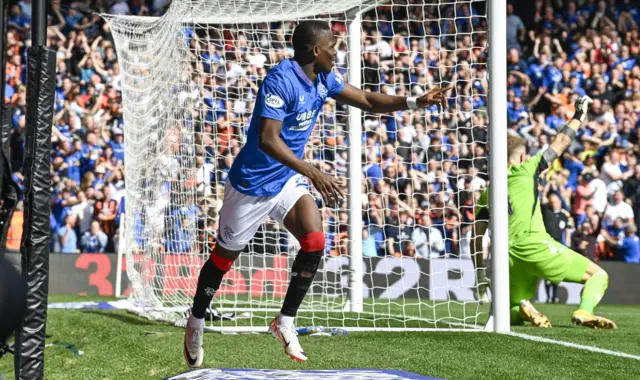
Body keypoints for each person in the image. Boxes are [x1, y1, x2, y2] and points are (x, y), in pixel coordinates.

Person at [183, 20, 449, 367]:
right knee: (223, 259)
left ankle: (285, 321)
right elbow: (267, 139)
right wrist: (313, 171)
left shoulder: (324, 78)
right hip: (251, 184)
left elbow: (368, 100)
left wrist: (415, 101)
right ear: (315, 50)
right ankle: (196, 319)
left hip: (287, 180)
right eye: (333, 47)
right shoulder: (280, 79)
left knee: (315, 240)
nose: (337, 52)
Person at [471, 95, 617, 329]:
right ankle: (584, 311)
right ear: (520, 156)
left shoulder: (489, 191)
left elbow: (476, 236)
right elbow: (560, 141)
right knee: (599, 276)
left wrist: (479, 275)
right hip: (534, 245)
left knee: (510, 313)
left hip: (506, 256)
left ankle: (525, 308)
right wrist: (579, 116)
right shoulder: (526, 169)